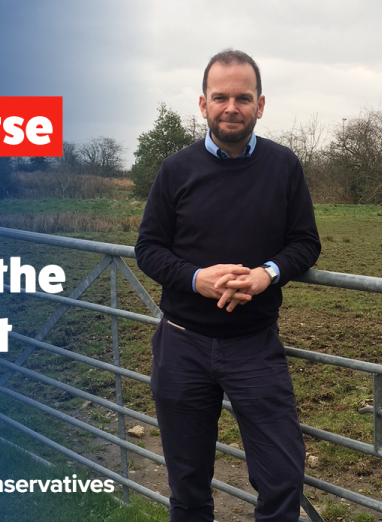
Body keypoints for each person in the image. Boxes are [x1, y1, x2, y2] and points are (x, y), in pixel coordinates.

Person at [134, 49, 321, 522]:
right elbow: (149, 248)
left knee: (282, 478)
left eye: (243, 97)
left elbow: (305, 242)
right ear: (203, 105)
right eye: (221, 97)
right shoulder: (176, 169)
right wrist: (197, 279)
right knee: (188, 486)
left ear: (261, 105)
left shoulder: (284, 167)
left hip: (254, 346)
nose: (231, 107)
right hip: (182, 343)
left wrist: (266, 275)